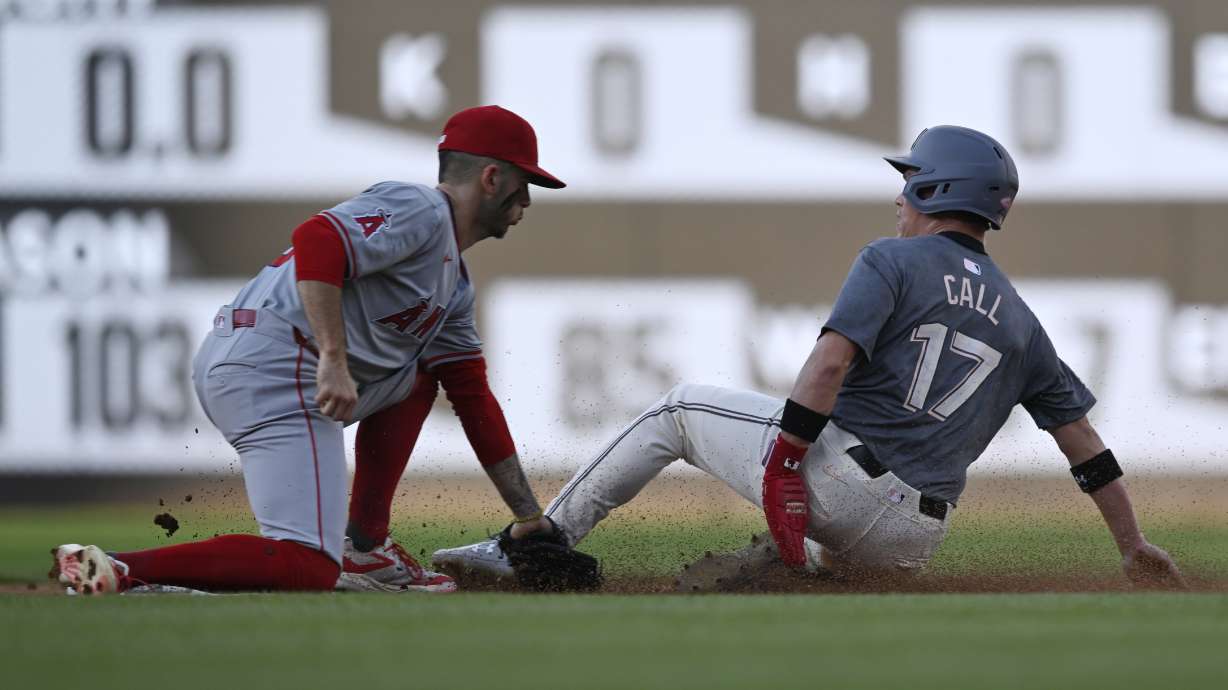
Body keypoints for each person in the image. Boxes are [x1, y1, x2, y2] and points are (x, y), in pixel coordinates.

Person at [432, 126, 1186, 589]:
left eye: (909, 180)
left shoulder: (894, 259)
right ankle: (795, 581)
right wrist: (1133, 544)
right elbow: (1084, 444)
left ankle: (534, 548)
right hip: (912, 538)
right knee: (835, 569)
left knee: (681, 409)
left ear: (936, 186)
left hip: (842, 484)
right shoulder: (1023, 323)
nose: (900, 196)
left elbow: (827, 367)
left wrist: (787, 460)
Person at [51, 105, 565, 595]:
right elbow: (319, 238)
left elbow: (471, 396)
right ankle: (117, 567)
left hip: (264, 359)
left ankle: (365, 545)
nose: (527, 203)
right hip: (275, 362)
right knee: (309, 565)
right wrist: (333, 359)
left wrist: (528, 518)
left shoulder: (454, 288)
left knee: (421, 374)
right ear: (491, 179)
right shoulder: (424, 210)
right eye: (525, 186)